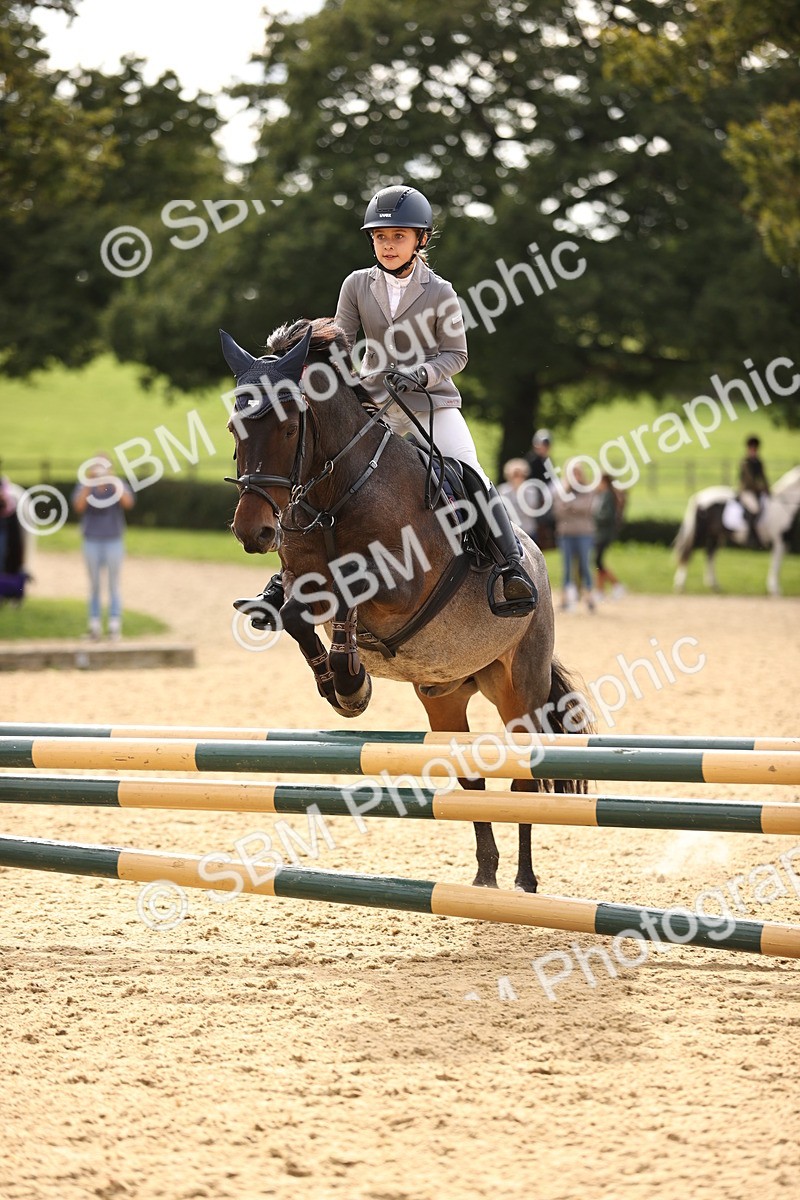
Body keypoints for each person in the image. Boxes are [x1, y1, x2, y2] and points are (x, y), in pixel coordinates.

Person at [238, 184, 537, 623]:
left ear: (421, 240)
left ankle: (510, 567)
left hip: (430, 405)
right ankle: (281, 583)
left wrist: (420, 373)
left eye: (399, 236)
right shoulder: (357, 284)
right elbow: (343, 343)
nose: (389, 245)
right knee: (317, 471)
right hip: (374, 404)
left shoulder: (441, 292)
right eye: (380, 237)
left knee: (471, 472)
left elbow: (457, 355)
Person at [71, 455, 134, 639]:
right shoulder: (85, 485)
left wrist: (112, 481)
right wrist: (90, 482)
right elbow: (79, 506)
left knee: (114, 584)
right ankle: (94, 625)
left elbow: (128, 503)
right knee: (95, 585)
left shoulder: (116, 484)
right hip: (91, 540)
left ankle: (115, 625)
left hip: (114, 540)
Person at [551, 461, 597, 612]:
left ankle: (589, 596)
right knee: (567, 567)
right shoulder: (560, 490)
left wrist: (570, 505)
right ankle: (564, 598)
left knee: (585, 565)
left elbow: (587, 508)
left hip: (584, 533)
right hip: (566, 534)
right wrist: (573, 506)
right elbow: (558, 511)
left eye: (577, 473)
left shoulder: (588, 490)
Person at [593, 474, 626, 598]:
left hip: (604, 534)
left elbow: (606, 515)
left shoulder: (607, 496)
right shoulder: (603, 495)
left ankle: (616, 584)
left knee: (598, 561)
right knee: (598, 562)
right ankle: (600, 590)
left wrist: (593, 516)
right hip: (601, 533)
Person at [524, 430, 555, 549]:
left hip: (545, 493)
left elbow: (550, 479)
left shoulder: (547, 460)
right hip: (533, 493)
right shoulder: (531, 460)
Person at [738, 436, 770, 547]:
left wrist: (768, 488)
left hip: (758, 492)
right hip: (747, 491)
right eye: (752, 449)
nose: (753, 451)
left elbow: (763, 476)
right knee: (755, 508)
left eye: (755, 449)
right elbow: (750, 480)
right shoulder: (745, 462)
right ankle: (751, 536)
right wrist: (760, 487)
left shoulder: (758, 462)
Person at [498, 458, 538, 541]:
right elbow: (504, 510)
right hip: (511, 530)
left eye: (520, 474)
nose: (518, 477)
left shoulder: (530, 489)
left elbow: (531, 508)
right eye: (515, 474)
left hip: (528, 529)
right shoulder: (503, 490)